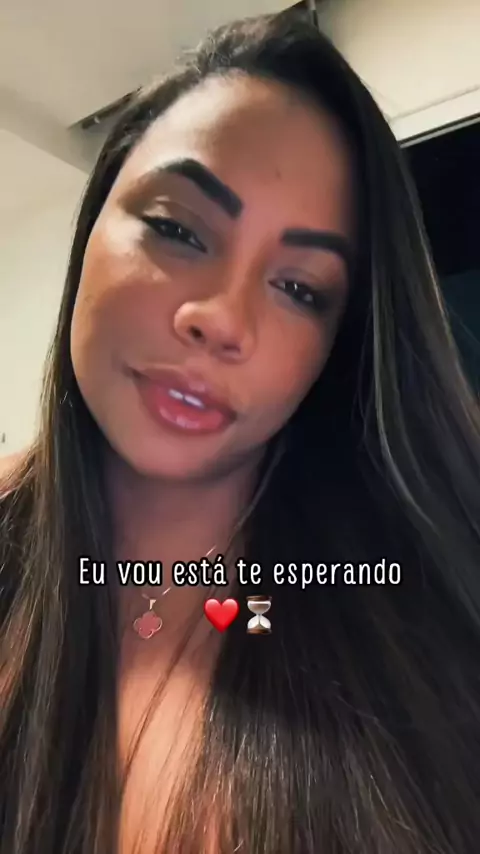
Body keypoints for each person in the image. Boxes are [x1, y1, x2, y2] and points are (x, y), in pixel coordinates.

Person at [1, 9, 480, 854]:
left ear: (335, 350)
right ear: (91, 231)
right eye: (179, 230)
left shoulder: (420, 636)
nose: (223, 320)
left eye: (300, 288)